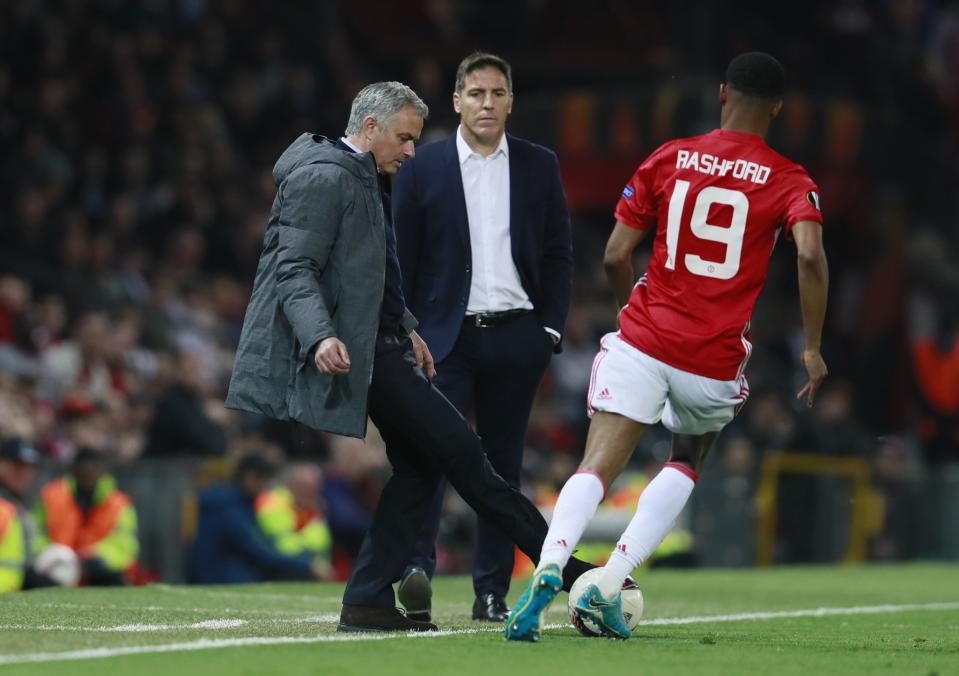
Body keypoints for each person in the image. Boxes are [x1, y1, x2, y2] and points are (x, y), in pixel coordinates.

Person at [224, 81, 593, 632]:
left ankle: (368, 598)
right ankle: (566, 571)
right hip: (365, 354)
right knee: (464, 454)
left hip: (386, 345)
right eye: (404, 137)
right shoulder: (325, 178)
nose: (411, 151)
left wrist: (411, 328)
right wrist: (320, 335)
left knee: (424, 466)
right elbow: (293, 269)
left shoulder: (359, 175)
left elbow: (378, 270)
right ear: (369, 128)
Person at [505, 52, 829, 641]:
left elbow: (612, 254)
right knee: (686, 457)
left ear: (723, 94)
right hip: (712, 358)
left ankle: (549, 564)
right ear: (778, 108)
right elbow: (809, 254)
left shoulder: (671, 156)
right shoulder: (790, 179)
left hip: (646, 336)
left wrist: (635, 309)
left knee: (597, 463)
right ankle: (612, 580)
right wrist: (811, 347)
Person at [392, 51, 573, 622]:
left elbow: (558, 254)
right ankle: (416, 570)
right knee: (430, 454)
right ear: (456, 101)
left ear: (511, 100)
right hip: (444, 341)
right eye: (476, 94)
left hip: (518, 336)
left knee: (502, 467)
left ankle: (491, 591)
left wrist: (548, 328)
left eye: (497, 94)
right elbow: (401, 257)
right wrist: (408, 332)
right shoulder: (424, 167)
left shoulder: (540, 164)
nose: (487, 104)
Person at [189, 454, 324, 584]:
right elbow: (258, 551)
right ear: (251, 477)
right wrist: (308, 566)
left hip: (226, 573)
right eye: (265, 481)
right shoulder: (227, 507)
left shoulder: (239, 503)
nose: (266, 488)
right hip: (221, 578)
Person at [34, 449, 139, 586]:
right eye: (84, 471)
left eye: (92, 470)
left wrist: (93, 561)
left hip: (99, 574)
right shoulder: (50, 496)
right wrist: (51, 555)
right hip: (55, 569)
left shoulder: (119, 504)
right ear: (74, 471)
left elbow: (124, 544)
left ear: (102, 471)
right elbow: (35, 533)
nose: (88, 475)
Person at [255, 463, 333, 578]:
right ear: (289, 485)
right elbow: (282, 545)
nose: (309, 493)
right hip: (278, 569)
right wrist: (311, 563)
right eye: (303, 487)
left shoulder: (312, 509)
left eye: (314, 489)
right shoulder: (272, 502)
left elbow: (322, 544)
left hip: (309, 570)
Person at [0, 437, 38, 592]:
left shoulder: (17, 505)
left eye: (28, 468)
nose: (24, 473)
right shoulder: (5, 506)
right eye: (18, 466)